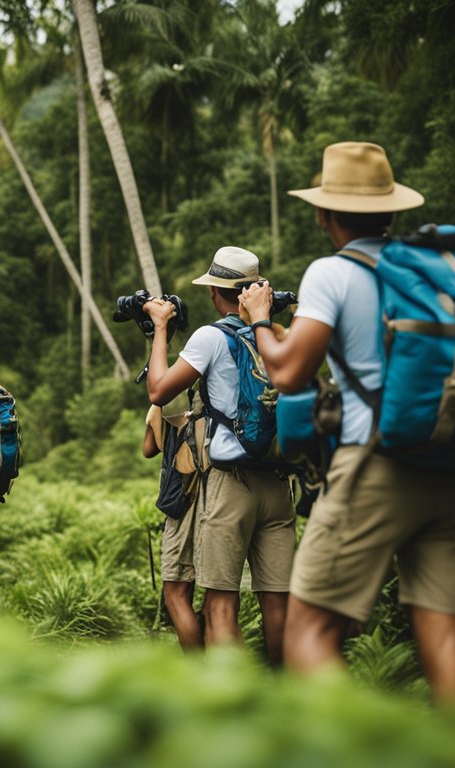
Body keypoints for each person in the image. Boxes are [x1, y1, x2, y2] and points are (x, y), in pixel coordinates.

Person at [241, 141, 455, 703]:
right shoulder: (424, 267)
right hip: (445, 468)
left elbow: (290, 373)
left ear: (323, 213)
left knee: (308, 632)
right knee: (445, 637)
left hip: (374, 466)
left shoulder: (333, 272)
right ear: (392, 210)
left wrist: (259, 321)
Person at [143, 246, 294, 663]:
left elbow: (159, 390)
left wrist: (159, 329)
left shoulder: (211, 337)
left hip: (231, 484)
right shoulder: (274, 334)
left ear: (215, 293)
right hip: (279, 481)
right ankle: (284, 699)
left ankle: (233, 701)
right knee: (277, 603)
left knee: (220, 604)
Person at [140, 404, 203, 651]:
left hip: (187, 501)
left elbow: (148, 449)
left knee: (175, 593)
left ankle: (198, 672)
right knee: (219, 595)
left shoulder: (173, 399)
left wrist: (155, 404)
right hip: (227, 495)